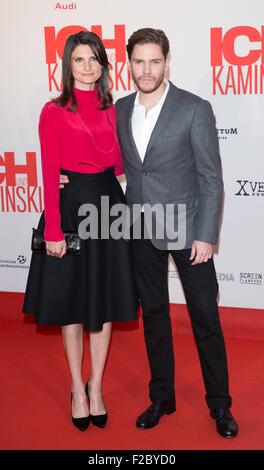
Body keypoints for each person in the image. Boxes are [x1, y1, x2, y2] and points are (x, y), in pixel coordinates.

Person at [60, 28, 238, 438]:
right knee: (154, 316)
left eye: (154, 61)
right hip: (137, 227)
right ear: (128, 64)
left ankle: (220, 406)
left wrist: (206, 235)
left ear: (166, 62)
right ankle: (162, 397)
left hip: (188, 228)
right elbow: (97, 155)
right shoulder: (119, 109)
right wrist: (63, 177)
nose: (146, 69)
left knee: (205, 318)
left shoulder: (194, 108)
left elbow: (212, 178)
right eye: (138, 61)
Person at [23, 31, 138, 432]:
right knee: (72, 304)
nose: (87, 67)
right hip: (70, 211)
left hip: (109, 206)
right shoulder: (53, 111)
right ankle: (76, 387)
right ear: (68, 66)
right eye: (79, 60)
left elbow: (125, 163)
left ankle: (97, 388)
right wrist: (53, 229)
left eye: (94, 59)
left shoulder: (117, 110)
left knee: (104, 304)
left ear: (104, 65)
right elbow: (48, 171)